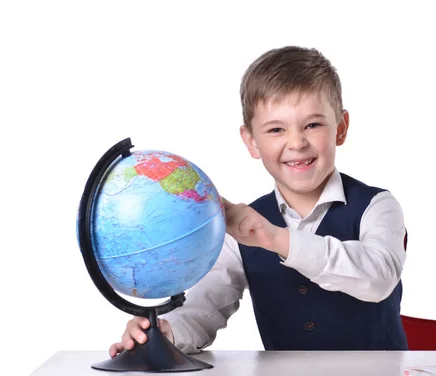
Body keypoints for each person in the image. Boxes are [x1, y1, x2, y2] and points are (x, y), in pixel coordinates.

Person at [109, 45, 409, 357]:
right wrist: (168, 331)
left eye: (313, 125)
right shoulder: (241, 232)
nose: (296, 142)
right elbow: (204, 308)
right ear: (252, 141)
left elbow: (379, 277)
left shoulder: (378, 206)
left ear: (341, 128)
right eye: (276, 129)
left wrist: (277, 239)